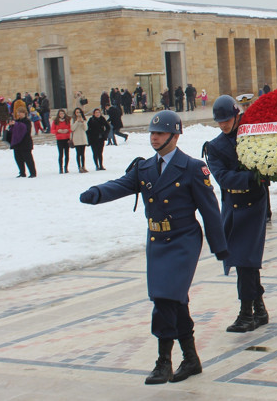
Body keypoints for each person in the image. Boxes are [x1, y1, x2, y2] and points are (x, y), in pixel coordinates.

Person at [79, 110, 228, 384]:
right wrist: (98, 193)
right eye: (152, 133)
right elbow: (122, 185)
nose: (154, 138)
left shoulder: (193, 167)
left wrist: (220, 247)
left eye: (159, 133)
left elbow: (210, 209)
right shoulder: (144, 167)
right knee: (175, 300)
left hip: (183, 240)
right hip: (157, 241)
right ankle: (191, 359)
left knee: (164, 298)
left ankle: (163, 362)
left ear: (175, 135)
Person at [205, 95, 270, 333]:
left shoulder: (253, 135)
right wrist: (253, 176)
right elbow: (222, 178)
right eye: (219, 121)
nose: (223, 124)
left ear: (237, 116)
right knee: (244, 260)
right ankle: (259, 309)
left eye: (227, 119)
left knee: (245, 260)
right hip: (233, 205)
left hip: (254, 205)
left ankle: (247, 313)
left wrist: (264, 173)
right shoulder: (215, 146)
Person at [9, 107, 36, 178]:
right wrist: (12, 125)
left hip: (25, 143)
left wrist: (16, 124)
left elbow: (26, 129)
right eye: (18, 112)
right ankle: (22, 172)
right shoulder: (17, 121)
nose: (19, 114)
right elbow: (13, 131)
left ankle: (32, 173)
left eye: (20, 112)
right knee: (18, 158)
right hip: (17, 143)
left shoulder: (27, 121)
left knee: (28, 159)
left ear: (24, 113)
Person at [70, 107, 89, 173]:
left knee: (83, 153)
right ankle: (79, 166)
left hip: (83, 138)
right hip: (77, 138)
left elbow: (85, 128)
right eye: (77, 112)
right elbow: (72, 128)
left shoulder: (84, 119)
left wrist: (83, 122)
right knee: (78, 153)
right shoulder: (73, 120)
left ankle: (83, 166)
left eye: (79, 112)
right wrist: (77, 122)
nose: (78, 114)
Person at [52, 109, 72, 173]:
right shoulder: (55, 121)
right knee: (61, 154)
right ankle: (60, 168)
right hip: (59, 139)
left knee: (67, 154)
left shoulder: (67, 121)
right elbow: (52, 130)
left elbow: (71, 128)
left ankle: (66, 167)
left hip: (66, 139)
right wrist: (57, 131)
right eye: (60, 114)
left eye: (63, 114)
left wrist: (67, 130)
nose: (62, 115)